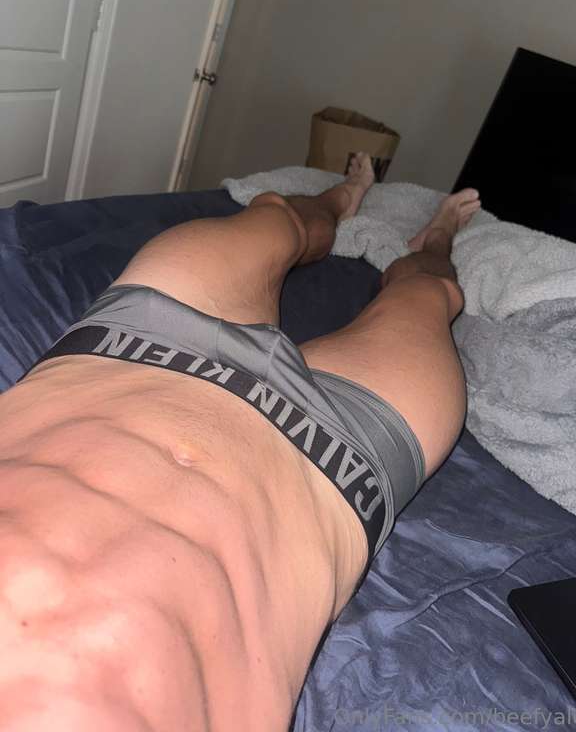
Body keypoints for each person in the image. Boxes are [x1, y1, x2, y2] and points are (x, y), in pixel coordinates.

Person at [0, 154, 480, 731]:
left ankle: (339, 200)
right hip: (333, 464)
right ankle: (435, 239)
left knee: (275, 217)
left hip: (130, 345)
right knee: (431, 293)